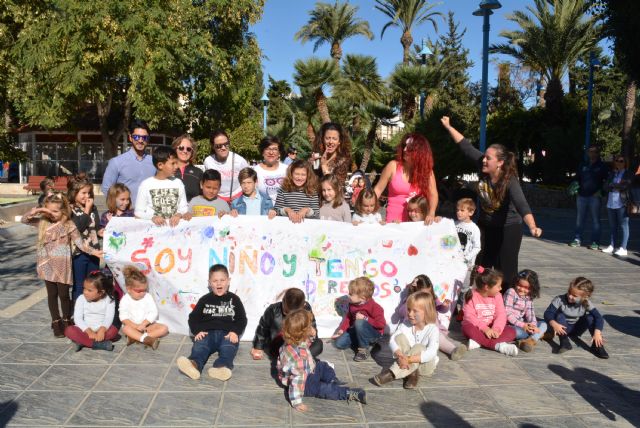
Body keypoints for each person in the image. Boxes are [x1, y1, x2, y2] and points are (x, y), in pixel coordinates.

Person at [441, 116, 542, 284]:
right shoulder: (483, 164)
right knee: (481, 266)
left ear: (500, 163)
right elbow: (465, 146)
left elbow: (521, 204)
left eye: (489, 158)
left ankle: (505, 303)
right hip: (486, 225)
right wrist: (448, 126)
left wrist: (532, 226)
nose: (484, 160)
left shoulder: (509, 181)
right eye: (485, 157)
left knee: (506, 270)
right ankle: (477, 299)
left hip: (508, 228)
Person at [21, 193, 102, 337]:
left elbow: (80, 244)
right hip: (46, 264)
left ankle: (66, 319)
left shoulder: (68, 225)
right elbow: (24, 220)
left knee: (64, 295)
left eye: (55, 211)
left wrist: (94, 252)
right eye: (49, 210)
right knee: (52, 294)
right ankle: (55, 321)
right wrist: (36, 211)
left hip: (63, 265)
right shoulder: (42, 222)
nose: (52, 214)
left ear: (63, 211)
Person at [278, 309, 366, 412]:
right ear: (303, 333)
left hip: (309, 370)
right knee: (324, 389)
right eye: (310, 326)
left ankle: (333, 381)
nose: (312, 327)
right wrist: (297, 403)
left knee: (322, 365)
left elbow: (305, 343)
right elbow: (296, 382)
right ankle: (348, 393)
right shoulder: (299, 361)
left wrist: (312, 335)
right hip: (305, 384)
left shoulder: (290, 341)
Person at [176, 264, 247, 381]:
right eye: (215, 281)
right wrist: (197, 331)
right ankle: (193, 365)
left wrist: (235, 332)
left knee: (228, 348)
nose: (219, 283)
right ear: (209, 283)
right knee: (200, 347)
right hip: (207, 333)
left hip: (227, 334)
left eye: (222, 280)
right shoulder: (204, 300)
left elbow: (242, 319)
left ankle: (221, 368)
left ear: (228, 281)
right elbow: (193, 318)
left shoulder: (234, 299)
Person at [373, 291, 440, 389]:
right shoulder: (405, 324)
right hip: (404, 361)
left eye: (415, 311)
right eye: (408, 310)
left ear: (427, 311)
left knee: (419, 347)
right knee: (399, 337)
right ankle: (412, 374)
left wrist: (408, 359)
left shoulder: (432, 329)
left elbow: (431, 353)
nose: (410, 314)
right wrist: (400, 356)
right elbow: (392, 341)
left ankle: (391, 373)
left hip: (424, 366)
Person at [392, 275, 467, 361]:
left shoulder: (432, 299)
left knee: (438, 338)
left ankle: (453, 350)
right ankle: (408, 355)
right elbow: (401, 312)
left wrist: (444, 306)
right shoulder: (410, 301)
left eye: (429, 293)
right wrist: (411, 309)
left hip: (431, 330)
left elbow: (441, 310)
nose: (427, 296)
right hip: (415, 331)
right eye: (423, 294)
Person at [373, 133, 438, 223]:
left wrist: (431, 212)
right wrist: (367, 210)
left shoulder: (427, 171)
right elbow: (378, 190)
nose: (404, 149)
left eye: (409, 148)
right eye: (404, 146)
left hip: (418, 220)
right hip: (394, 219)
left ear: (419, 151)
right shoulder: (392, 166)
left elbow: (433, 194)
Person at [543, 277, 608, 359]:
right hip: (562, 328)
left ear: (585, 297)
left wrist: (597, 332)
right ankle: (564, 342)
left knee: (590, 318)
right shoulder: (559, 299)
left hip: (577, 328)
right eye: (569, 292)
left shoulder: (586, 303)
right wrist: (554, 323)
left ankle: (597, 346)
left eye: (574, 295)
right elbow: (548, 313)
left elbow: (599, 317)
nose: (570, 296)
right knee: (559, 315)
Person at [250, 288, 322, 360]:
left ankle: (294, 359)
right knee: (277, 348)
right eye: (286, 312)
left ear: (303, 305)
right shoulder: (273, 310)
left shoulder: (306, 308)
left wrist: (312, 331)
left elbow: (313, 329)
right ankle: (296, 358)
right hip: (281, 345)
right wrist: (258, 347)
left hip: (301, 345)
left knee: (318, 344)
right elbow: (263, 328)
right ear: (283, 300)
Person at [462, 266, 518, 357]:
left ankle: (479, 342)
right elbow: (469, 316)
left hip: (492, 327)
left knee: (512, 331)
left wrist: (496, 329)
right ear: (487, 287)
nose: (500, 289)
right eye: (498, 286)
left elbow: (501, 314)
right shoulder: (471, 295)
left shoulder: (498, 296)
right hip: (477, 328)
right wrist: (485, 329)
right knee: (467, 328)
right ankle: (498, 346)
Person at [101, 119, 156, 206]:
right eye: (136, 137)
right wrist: (117, 209)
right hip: (125, 215)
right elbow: (107, 189)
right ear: (130, 137)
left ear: (148, 139)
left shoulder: (154, 162)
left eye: (144, 137)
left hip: (149, 215)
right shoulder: (116, 162)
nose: (140, 140)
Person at [332, 277, 385, 362]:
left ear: (362, 298)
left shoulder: (375, 307)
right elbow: (348, 317)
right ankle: (363, 341)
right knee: (339, 344)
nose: (348, 295)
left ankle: (363, 350)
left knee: (359, 322)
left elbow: (381, 324)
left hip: (374, 333)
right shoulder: (352, 304)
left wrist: (365, 318)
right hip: (358, 329)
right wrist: (342, 330)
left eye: (351, 294)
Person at [134, 146, 189, 227]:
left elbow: (184, 208)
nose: (176, 166)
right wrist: (152, 217)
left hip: (175, 232)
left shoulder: (178, 183)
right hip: (153, 232)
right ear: (160, 165)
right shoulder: (146, 185)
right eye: (173, 163)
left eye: (176, 163)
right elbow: (138, 212)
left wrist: (179, 215)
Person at [64, 270, 118, 351]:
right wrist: (89, 331)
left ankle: (82, 341)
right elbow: (78, 318)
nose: (85, 292)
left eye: (89, 290)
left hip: (101, 330)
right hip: (85, 329)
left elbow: (108, 317)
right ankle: (98, 344)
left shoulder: (109, 300)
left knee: (114, 331)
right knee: (69, 330)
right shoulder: (81, 298)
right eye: (84, 288)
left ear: (101, 292)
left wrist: (102, 329)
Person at [68, 175, 102, 301]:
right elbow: (78, 228)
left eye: (89, 193)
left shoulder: (93, 207)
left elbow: (96, 227)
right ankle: (76, 313)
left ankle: (92, 311)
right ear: (74, 192)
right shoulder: (70, 209)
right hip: (79, 253)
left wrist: (101, 231)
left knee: (93, 284)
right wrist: (86, 210)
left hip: (94, 252)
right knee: (80, 284)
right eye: (83, 193)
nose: (87, 196)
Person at [119, 265, 169, 349]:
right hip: (133, 327)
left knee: (164, 328)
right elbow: (123, 317)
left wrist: (144, 324)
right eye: (139, 291)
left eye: (144, 290)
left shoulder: (147, 296)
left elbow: (153, 312)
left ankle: (136, 338)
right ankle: (146, 339)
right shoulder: (125, 299)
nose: (142, 293)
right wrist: (136, 327)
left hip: (147, 326)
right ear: (129, 289)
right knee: (126, 329)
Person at [570, 146, 609, 249]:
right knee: (579, 219)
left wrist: (601, 192)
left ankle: (595, 242)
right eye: (590, 151)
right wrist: (574, 187)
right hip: (581, 196)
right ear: (588, 153)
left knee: (596, 220)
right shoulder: (583, 164)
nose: (592, 153)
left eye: (595, 152)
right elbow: (577, 178)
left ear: (598, 153)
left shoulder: (602, 166)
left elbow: (608, 180)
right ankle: (577, 239)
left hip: (594, 197)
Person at [503, 269, 547, 353]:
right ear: (516, 282)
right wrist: (523, 325)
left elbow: (531, 314)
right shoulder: (511, 292)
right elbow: (507, 313)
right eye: (519, 285)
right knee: (517, 332)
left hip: (524, 325)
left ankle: (530, 341)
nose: (522, 289)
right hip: (510, 324)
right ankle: (535, 336)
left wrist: (533, 326)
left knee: (543, 323)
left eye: (526, 288)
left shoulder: (528, 297)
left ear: (532, 288)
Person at [203, 130, 249, 202]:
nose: (223, 148)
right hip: (216, 199)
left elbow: (249, 180)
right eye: (219, 146)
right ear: (213, 146)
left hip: (238, 199)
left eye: (226, 144)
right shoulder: (208, 161)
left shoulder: (239, 161)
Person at [455, 198, 482, 313]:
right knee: (454, 286)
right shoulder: (453, 224)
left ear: (470, 212)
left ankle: (464, 309)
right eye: (457, 210)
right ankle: (454, 308)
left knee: (464, 288)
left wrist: (466, 258)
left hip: (467, 265)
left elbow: (477, 247)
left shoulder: (474, 228)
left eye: (462, 210)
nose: (458, 212)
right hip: (453, 263)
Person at [602, 154, 632, 257]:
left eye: (621, 161)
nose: (619, 162)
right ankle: (612, 245)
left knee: (624, 225)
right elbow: (605, 186)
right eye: (617, 161)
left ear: (625, 163)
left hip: (622, 203)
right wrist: (614, 186)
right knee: (612, 226)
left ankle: (623, 248)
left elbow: (626, 185)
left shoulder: (628, 173)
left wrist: (614, 185)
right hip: (611, 202)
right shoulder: (612, 173)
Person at [253, 136, 288, 205]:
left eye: (275, 149)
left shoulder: (287, 169)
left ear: (279, 153)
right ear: (262, 152)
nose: (271, 152)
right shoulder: (255, 171)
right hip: (263, 211)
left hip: (284, 211)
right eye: (267, 149)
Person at [172, 134, 203, 202]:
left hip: (193, 210)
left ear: (192, 152)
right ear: (175, 149)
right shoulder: (167, 171)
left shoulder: (199, 173)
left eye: (188, 149)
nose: (185, 151)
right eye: (181, 148)